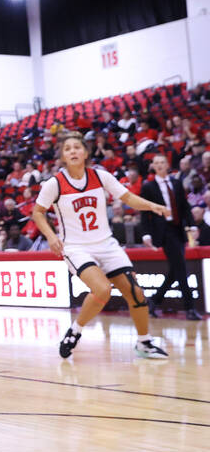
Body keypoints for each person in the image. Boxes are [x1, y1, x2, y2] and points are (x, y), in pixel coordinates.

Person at [31, 132, 170, 360]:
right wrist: (50, 236)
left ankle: (144, 342)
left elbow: (127, 198)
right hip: (76, 247)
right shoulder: (54, 184)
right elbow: (37, 212)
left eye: (77, 147)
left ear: (85, 153)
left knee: (135, 293)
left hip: (107, 244)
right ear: (63, 157)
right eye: (68, 149)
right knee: (103, 289)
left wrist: (152, 206)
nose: (73, 151)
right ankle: (75, 331)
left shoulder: (100, 176)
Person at [142, 154, 202, 320]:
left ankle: (153, 301)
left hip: (178, 229)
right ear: (153, 166)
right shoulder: (148, 187)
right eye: (156, 163)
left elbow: (184, 207)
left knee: (176, 270)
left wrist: (192, 225)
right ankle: (190, 308)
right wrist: (146, 234)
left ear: (167, 164)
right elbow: (144, 212)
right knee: (181, 268)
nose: (160, 165)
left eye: (162, 162)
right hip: (164, 231)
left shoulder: (176, 183)